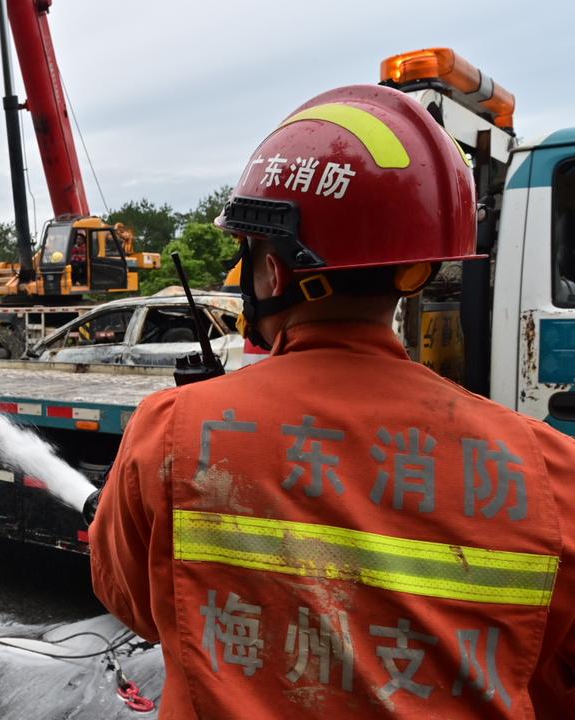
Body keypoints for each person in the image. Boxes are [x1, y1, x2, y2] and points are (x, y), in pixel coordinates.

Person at [89, 84, 575, 718]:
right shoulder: (553, 473)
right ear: (416, 270)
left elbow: (135, 606)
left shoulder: (171, 431)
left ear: (273, 271)